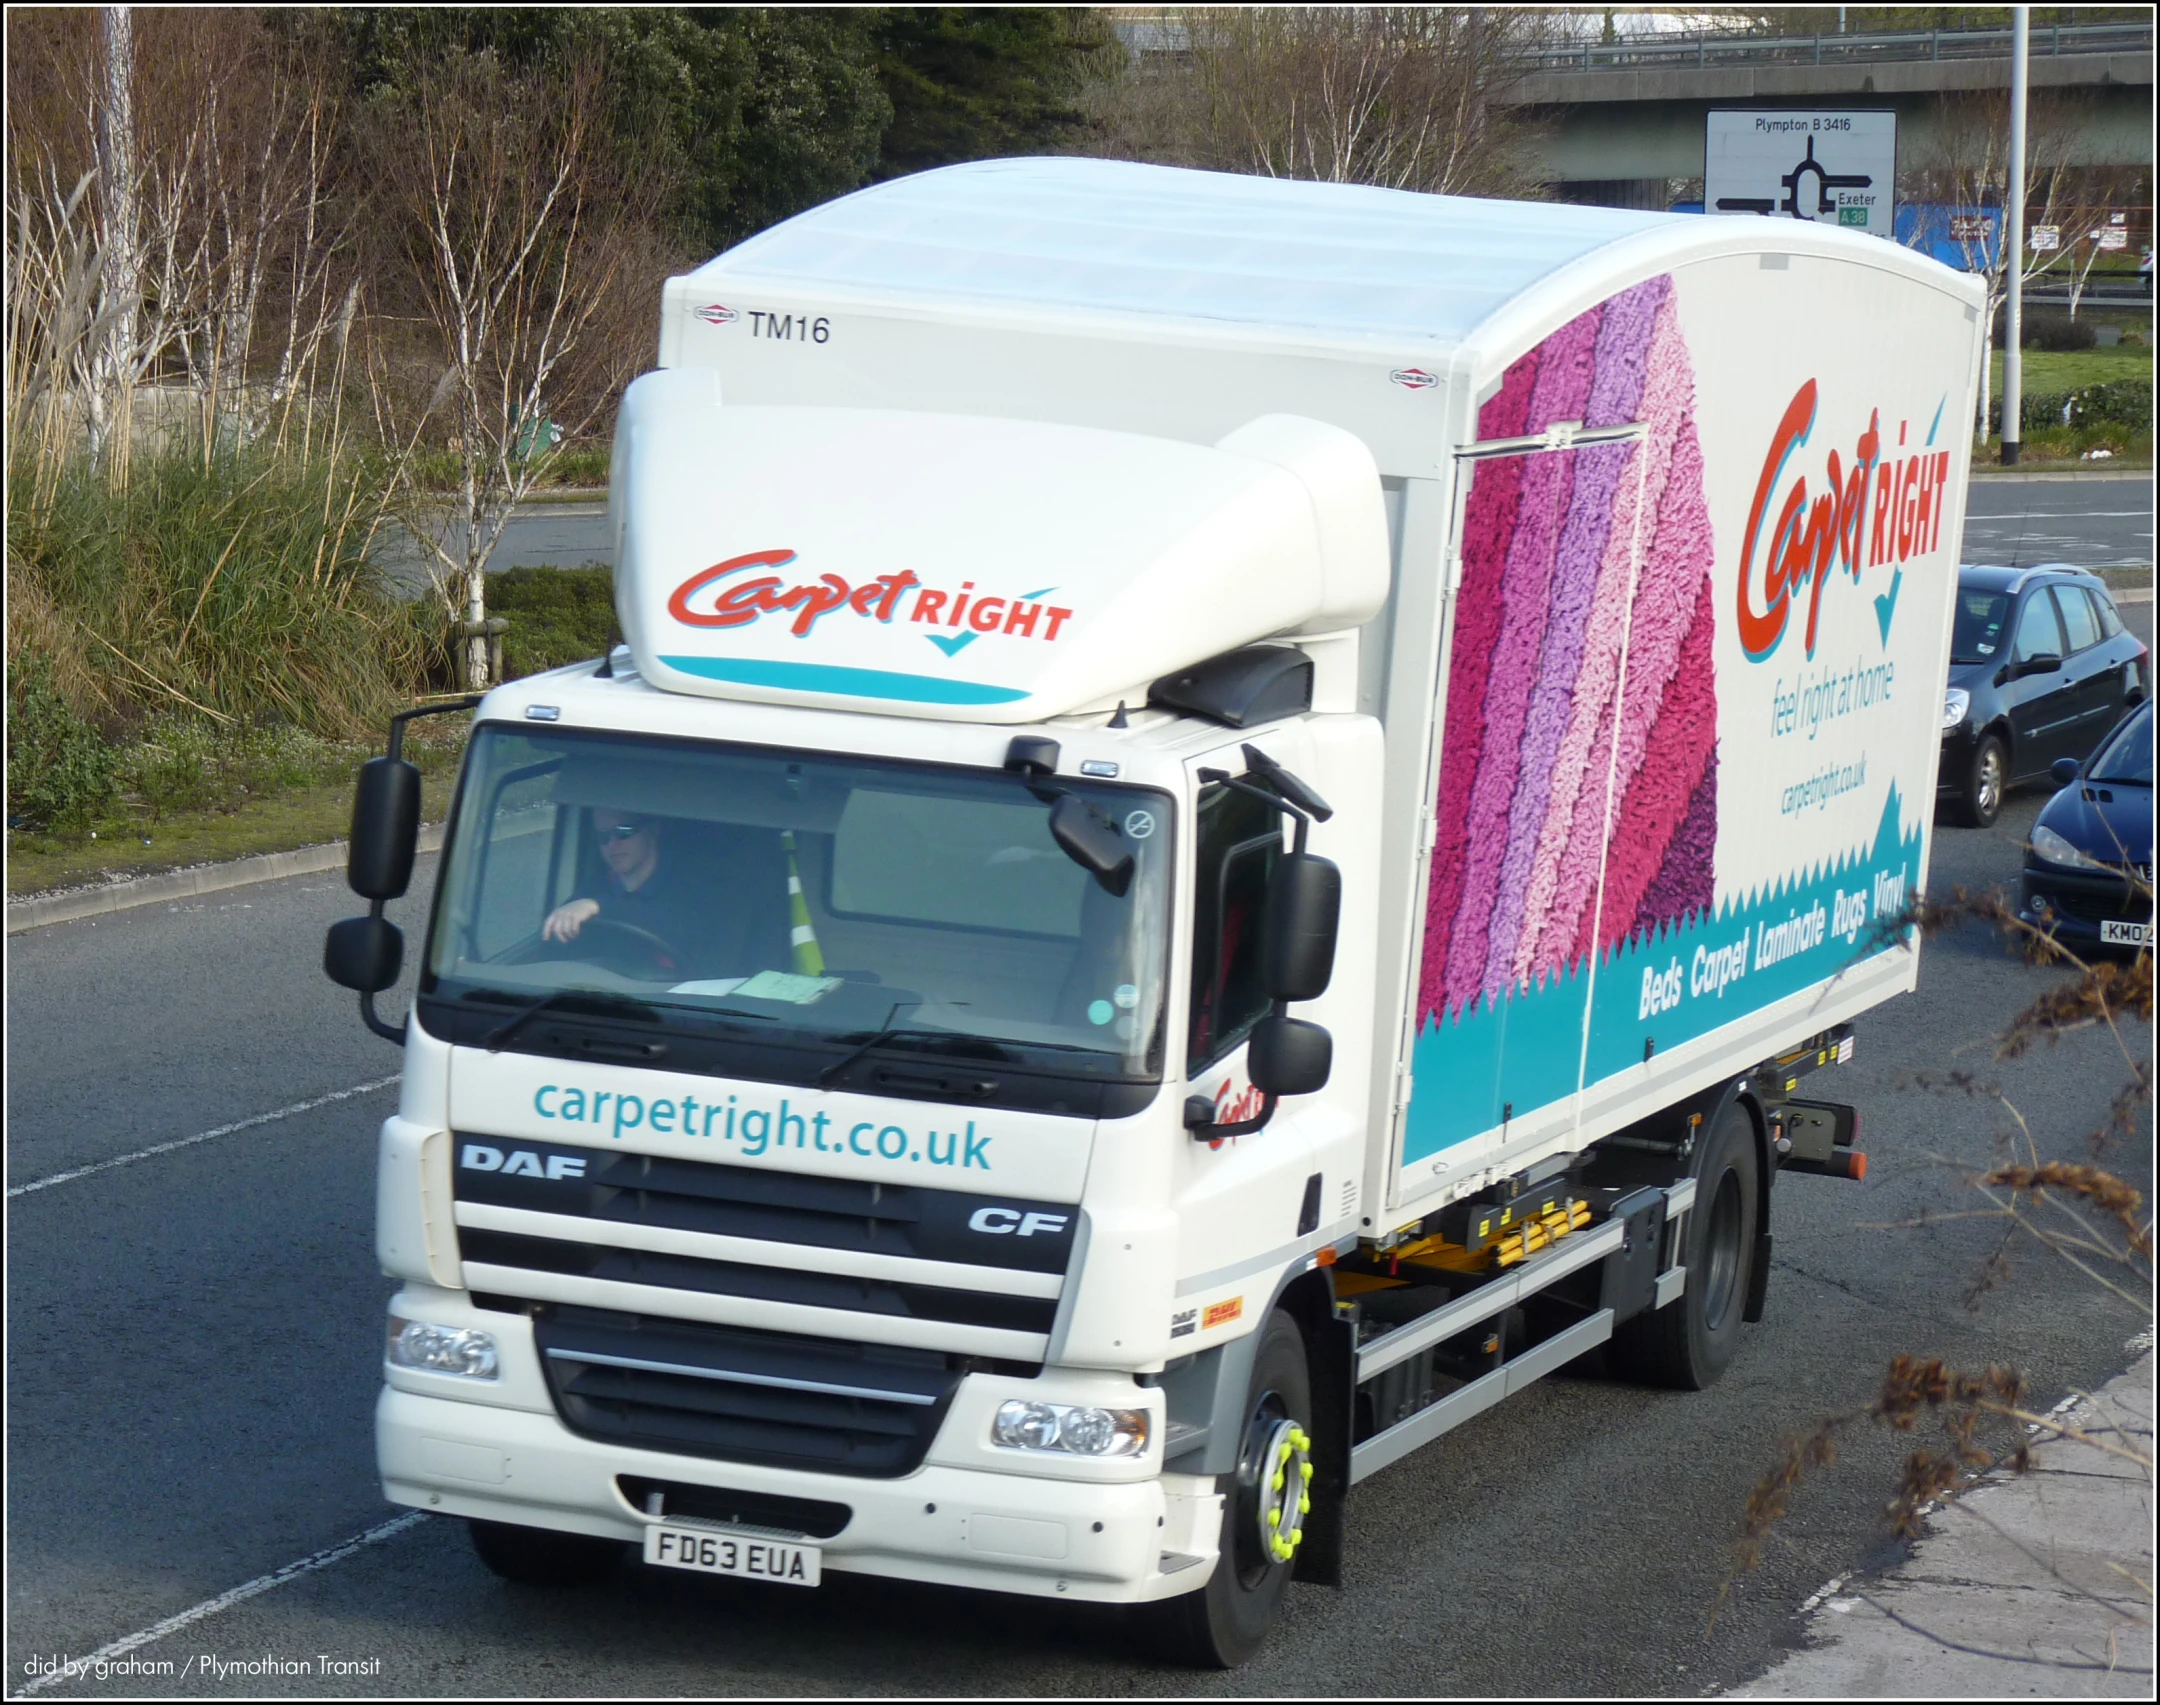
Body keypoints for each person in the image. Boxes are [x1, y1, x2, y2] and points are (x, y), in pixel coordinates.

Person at [541, 808, 792, 979]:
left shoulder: (699, 882)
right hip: (611, 1008)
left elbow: (678, 923)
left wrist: (601, 908)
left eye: (624, 832)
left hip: (685, 1014)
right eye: (603, 837)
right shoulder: (592, 889)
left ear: (653, 831)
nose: (612, 845)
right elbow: (554, 952)